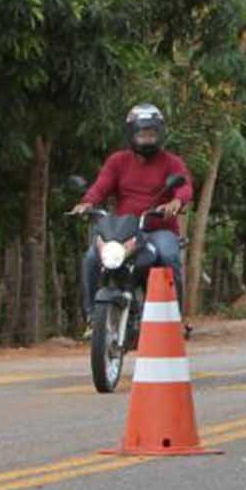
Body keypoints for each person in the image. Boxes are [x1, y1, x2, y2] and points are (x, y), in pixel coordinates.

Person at [72, 103, 194, 325]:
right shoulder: (118, 161)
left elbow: (184, 187)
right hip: (125, 229)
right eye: (142, 133)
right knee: (92, 258)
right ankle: (91, 316)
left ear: (160, 133)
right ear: (131, 134)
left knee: (169, 256)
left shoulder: (172, 162)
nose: (147, 138)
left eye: (151, 134)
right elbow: (101, 186)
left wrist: (176, 201)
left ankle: (174, 316)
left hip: (160, 229)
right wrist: (87, 203)